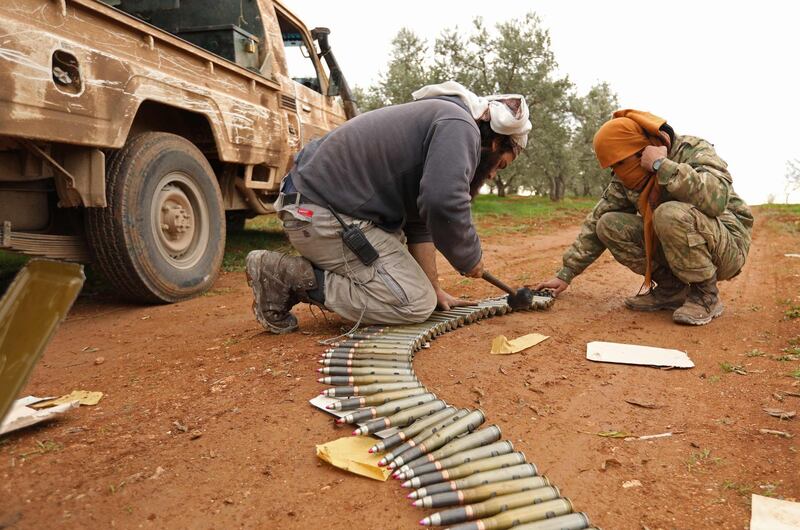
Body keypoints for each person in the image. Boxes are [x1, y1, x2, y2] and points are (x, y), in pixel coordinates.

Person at [246, 81, 532, 334]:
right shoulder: (460, 126)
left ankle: (319, 270)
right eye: (501, 164)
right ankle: (285, 275)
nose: (494, 174)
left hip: (324, 209)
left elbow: (421, 221)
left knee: (425, 295)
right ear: (494, 143)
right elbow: (442, 201)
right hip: (323, 215)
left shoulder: (446, 118)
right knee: (413, 303)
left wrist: (434, 289)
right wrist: (469, 258)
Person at [535, 109, 753, 326]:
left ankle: (706, 295)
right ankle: (671, 289)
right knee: (608, 225)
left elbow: (717, 200)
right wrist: (566, 274)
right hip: (680, 239)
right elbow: (595, 222)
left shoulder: (692, 150)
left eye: (621, 163)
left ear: (642, 149)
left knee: (668, 213)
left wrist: (662, 166)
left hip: (727, 245)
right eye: (613, 167)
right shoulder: (626, 180)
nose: (619, 173)